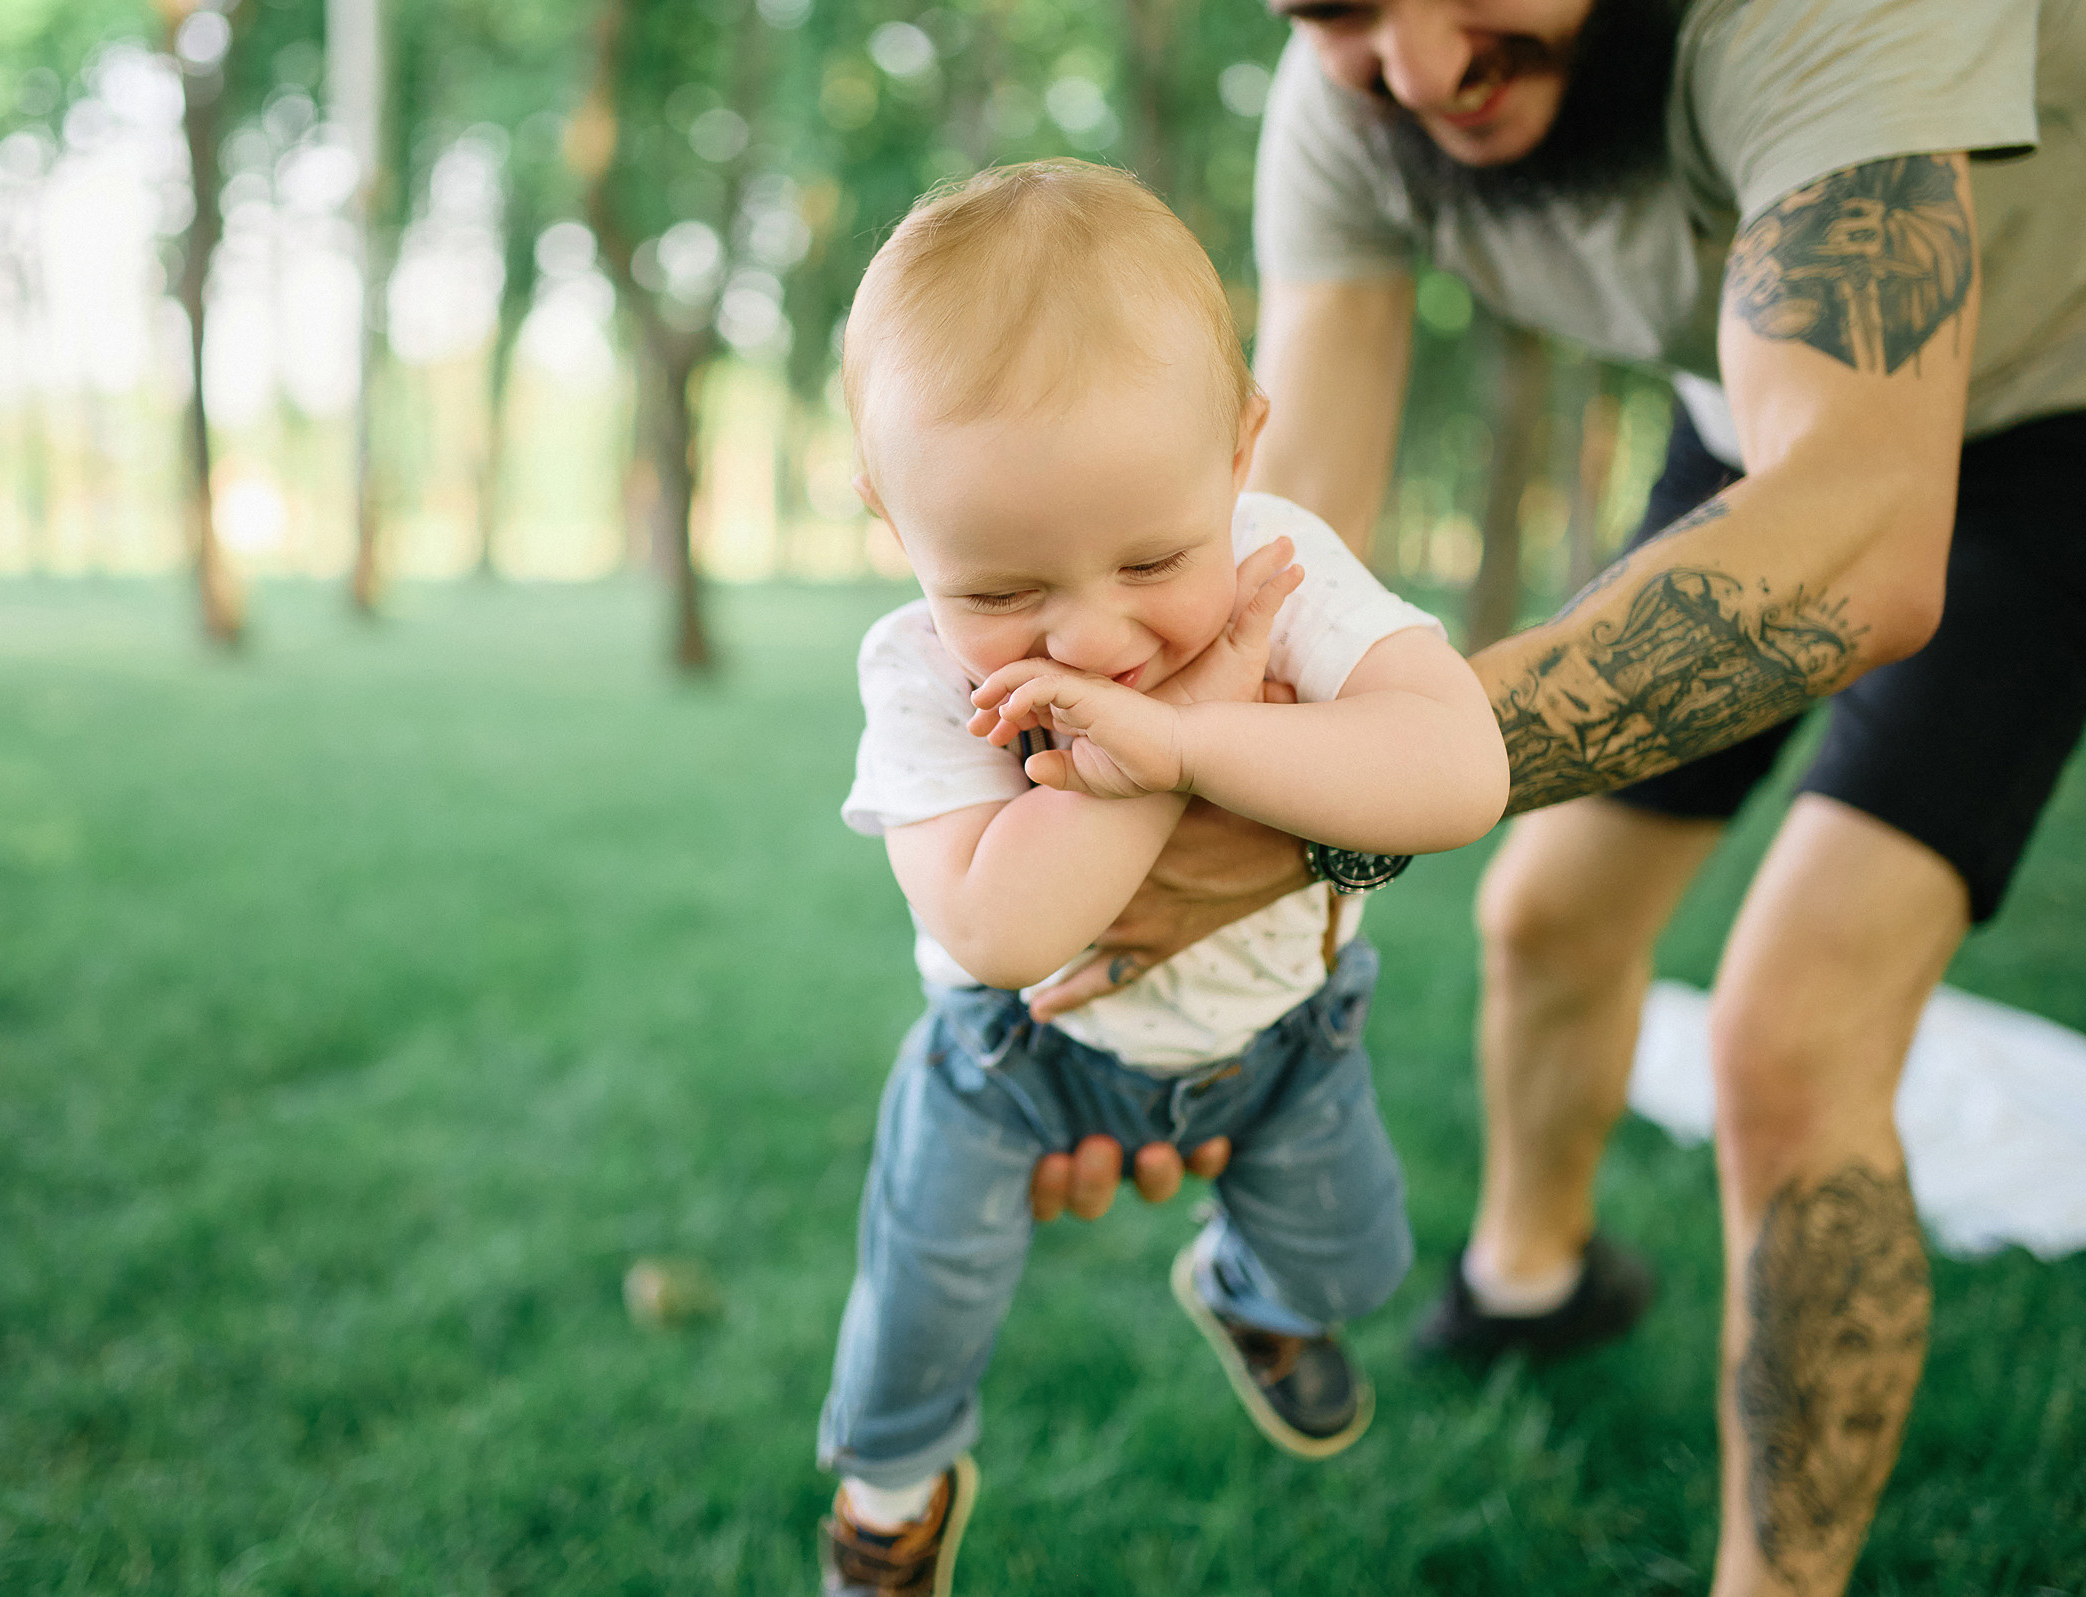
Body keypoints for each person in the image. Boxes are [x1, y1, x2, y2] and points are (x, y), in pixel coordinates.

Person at [1015, 3, 2086, 1594]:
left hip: (2033, 436)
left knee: (1790, 1031)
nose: (1428, 69)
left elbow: (1862, 522)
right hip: (1743, 430)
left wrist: (1350, 797)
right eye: (1342, 12)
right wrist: (1124, 925)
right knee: (1547, 915)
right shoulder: (1347, 112)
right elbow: (1286, 544)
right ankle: (1536, 1285)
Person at [814, 158, 1508, 1595]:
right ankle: (890, 1499)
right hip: (1017, 1061)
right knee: (920, 1307)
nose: (1090, 638)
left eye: (1154, 556)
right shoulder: (914, 673)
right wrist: (1167, 751)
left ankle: (1253, 1294)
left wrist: (1187, 730)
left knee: (1356, 1263)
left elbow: (1460, 774)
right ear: (894, 513)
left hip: (1285, 1039)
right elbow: (1002, 927)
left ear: (1242, 448)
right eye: (1001, 590)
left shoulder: (1284, 568)